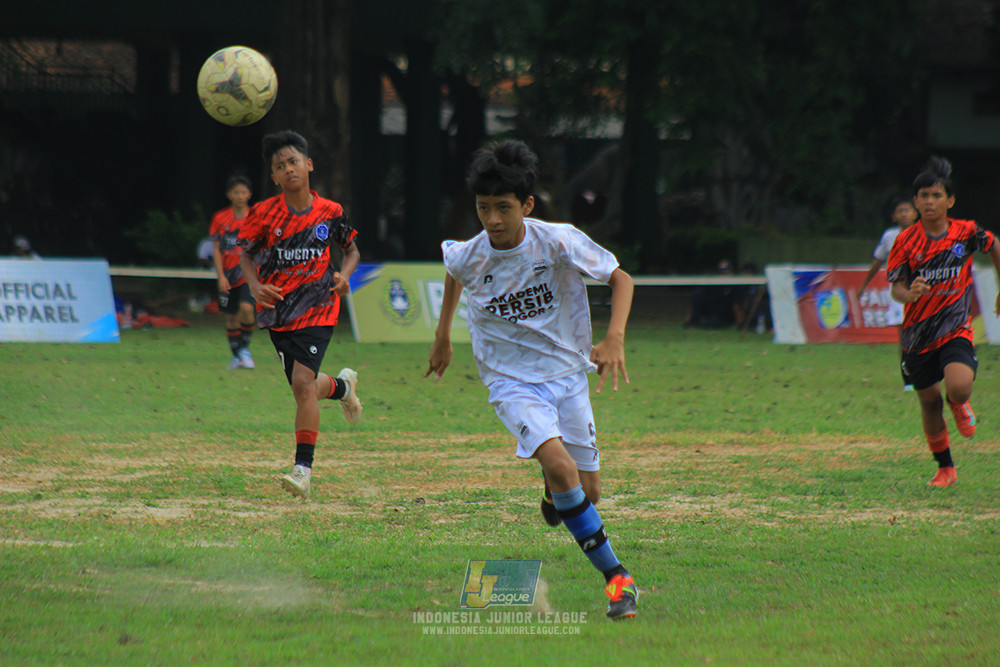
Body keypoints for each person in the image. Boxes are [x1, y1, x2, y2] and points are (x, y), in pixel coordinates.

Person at [425, 140, 639, 620]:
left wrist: (615, 338)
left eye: (503, 208)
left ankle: (552, 492)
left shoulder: (557, 240)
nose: (493, 220)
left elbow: (621, 279)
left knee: (589, 492)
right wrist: (443, 335)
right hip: (510, 381)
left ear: (526, 205)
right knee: (565, 472)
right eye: (484, 209)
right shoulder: (471, 253)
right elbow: (454, 271)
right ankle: (618, 580)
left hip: (567, 376)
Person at [237, 130, 363, 499]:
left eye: (293, 161)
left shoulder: (331, 212)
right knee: (304, 385)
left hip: (321, 307)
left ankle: (302, 471)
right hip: (279, 313)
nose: (288, 169)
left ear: (308, 165)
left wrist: (344, 278)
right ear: (274, 177)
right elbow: (245, 255)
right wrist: (256, 287)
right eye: (280, 166)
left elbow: (351, 250)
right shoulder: (263, 214)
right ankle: (342, 387)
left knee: (303, 385)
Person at [887, 157, 1000, 488]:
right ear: (915, 201)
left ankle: (959, 402)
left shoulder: (966, 232)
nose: (929, 201)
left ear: (949, 201)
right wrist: (910, 294)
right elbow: (895, 287)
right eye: (923, 196)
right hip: (917, 336)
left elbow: (994, 245)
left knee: (959, 385)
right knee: (929, 403)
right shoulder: (905, 241)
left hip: (955, 328)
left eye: (936, 195)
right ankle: (945, 468)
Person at [857, 196, 919, 390]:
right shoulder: (889, 236)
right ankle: (908, 380)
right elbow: (877, 261)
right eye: (900, 211)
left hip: (920, 290)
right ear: (894, 216)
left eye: (907, 210)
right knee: (904, 337)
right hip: (899, 291)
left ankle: (928, 374)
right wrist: (864, 285)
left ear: (915, 213)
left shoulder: (925, 232)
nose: (904, 214)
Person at [209, 175, 258, 370]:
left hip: (247, 273)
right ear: (229, 195)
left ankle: (245, 349)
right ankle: (237, 355)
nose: (239, 196)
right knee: (230, 316)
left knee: (246, 309)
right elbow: (216, 249)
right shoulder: (221, 219)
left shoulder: (255, 217)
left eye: (243, 192)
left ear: (249, 195)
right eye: (236, 192)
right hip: (227, 275)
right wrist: (220, 276)